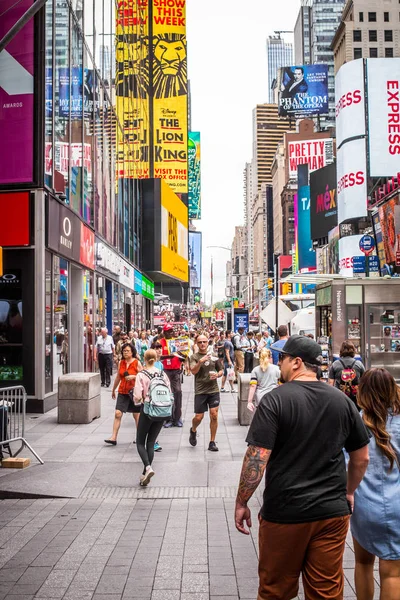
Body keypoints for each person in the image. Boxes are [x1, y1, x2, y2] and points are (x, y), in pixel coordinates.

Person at [235, 335, 370, 600]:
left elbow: (257, 456)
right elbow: (361, 457)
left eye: (282, 358)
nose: (279, 363)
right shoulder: (342, 402)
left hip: (285, 513)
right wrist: (349, 491)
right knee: (326, 592)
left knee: (276, 591)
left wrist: (242, 502)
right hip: (331, 513)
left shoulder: (275, 401)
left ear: (296, 362)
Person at [350, 368, 400, 600]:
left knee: (362, 563)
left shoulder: (356, 422)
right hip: (397, 505)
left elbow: (347, 463)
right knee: (392, 575)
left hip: (362, 504)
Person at [134, 350, 172, 486]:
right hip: (162, 410)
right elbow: (169, 391)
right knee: (151, 442)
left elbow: (137, 396)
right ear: (156, 359)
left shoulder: (141, 375)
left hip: (148, 409)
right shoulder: (162, 374)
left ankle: (148, 467)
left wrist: (138, 400)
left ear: (144, 358)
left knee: (140, 442)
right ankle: (145, 473)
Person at [189, 333, 224, 452]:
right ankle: (193, 430)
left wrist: (217, 375)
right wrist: (200, 361)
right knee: (199, 417)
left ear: (208, 343)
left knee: (214, 415)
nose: (202, 344)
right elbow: (193, 371)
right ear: (197, 344)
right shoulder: (194, 357)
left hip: (213, 389)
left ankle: (212, 442)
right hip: (200, 390)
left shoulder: (213, 356)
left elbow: (221, 370)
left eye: (204, 342)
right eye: (200, 342)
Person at [105, 343, 142, 445]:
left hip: (134, 392)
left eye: (127, 351)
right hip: (123, 391)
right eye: (124, 351)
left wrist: (133, 377)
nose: (125, 352)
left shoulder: (137, 363)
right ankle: (113, 437)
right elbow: (118, 377)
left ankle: (140, 437)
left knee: (137, 415)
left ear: (132, 352)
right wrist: (113, 389)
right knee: (118, 413)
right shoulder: (121, 362)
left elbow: (143, 375)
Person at [160, 324, 185, 427]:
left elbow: (183, 357)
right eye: (168, 331)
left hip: (176, 371)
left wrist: (182, 356)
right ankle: (168, 418)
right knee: (167, 394)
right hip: (165, 371)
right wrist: (169, 356)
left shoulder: (178, 341)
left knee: (178, 392)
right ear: (164, 332)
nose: (171, 333)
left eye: (172, 331)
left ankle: (177, 417)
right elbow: (158, 356)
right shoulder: (160, 343)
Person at [328, 340, 365, 409]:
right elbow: (365, 381)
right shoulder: (359, 364)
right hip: (355, 398)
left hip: (340, 397)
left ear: (341, 351)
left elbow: (331, 383)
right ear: (353, 350)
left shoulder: (335, 364)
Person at [247, 348, 280, 413]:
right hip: (274, 397)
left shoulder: (255, 370)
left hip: (260, 399)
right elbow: (281, 384)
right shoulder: (277, 369)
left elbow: (253, 386)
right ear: (270, 357)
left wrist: (249, 401)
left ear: (259, 357)